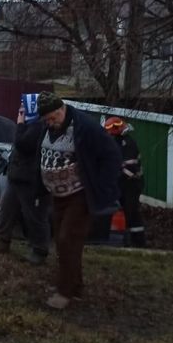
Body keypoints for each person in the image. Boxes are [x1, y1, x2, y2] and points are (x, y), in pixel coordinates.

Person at [37, 93, 122, 310]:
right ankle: (74, 285)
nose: (49, 123)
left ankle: (65, 291)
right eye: (46, 120)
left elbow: (112, 155)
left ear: (60, 110)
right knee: (62, 241)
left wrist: (101, 187)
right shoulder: (49, 127)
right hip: (58, 196)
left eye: (51, 118)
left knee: (68, 238)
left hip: (80, 194)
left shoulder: (85, 127)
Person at [0, 102, 52, 265]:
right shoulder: (32, 125)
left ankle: (39, 250)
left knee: (34, 216)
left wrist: (20, 124)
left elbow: (23, 144)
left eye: (24, 109)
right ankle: (2, 240)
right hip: (16, 176)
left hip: (30, 179)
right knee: (6, 209)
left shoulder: (38, 126)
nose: (21, 112)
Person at [104, 116, 146, 248]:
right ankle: (123, 239)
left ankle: (137, 241)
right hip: (122, 183)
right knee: (121, 211)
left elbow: (129, 168)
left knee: (131, 211)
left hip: (131, 184)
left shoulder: (128, 143)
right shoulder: (115, 141)